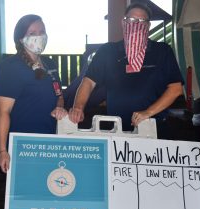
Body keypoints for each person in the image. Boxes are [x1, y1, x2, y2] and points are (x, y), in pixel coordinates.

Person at [69, 2, 183, 137]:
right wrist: (78, 107)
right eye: (131, 20)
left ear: (148, 26)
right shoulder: (108, 51)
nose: (136, 24)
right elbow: (88, 82)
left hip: (154, 128)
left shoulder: (162, 51)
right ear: (123, 23)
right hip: (116, 130)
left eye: (142, 21)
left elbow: (176, 89)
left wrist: (148, 112)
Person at [0, 14, 67, 173]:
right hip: (23, 145)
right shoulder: (11, 67)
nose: (39, 36)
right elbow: (3, 112)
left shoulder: (50, 64)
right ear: (21, 39)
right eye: (32, 33)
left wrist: (60, 107)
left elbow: (59, 96)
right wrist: (2, 150)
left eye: (42, 31)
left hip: (50, 141)